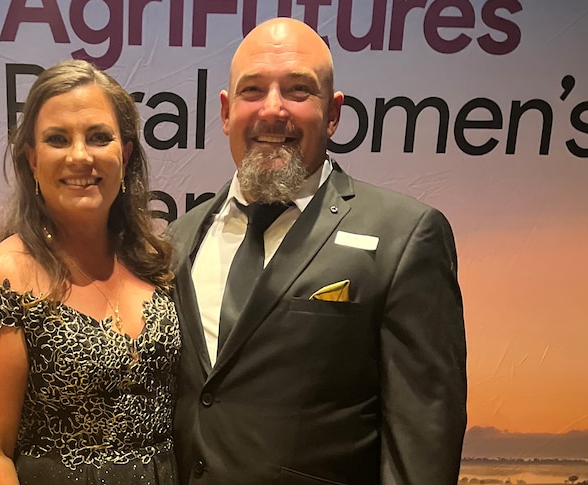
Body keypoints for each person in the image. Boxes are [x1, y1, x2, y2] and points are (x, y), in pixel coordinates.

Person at [168, 18, 467, 485]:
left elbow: (423, 438)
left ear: (333, 114)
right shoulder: (178, 239)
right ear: (225, 112)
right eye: (252, 91)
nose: (272, 110)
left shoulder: (405, 235)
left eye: (297, 90)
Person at [0, 60, 179, 485]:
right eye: (58, 139)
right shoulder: (1, 281)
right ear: (33, 160)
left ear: (124, 155)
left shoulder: (154, 262)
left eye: (98, 137)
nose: (80, 156)